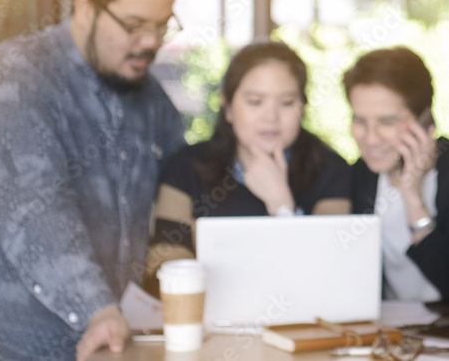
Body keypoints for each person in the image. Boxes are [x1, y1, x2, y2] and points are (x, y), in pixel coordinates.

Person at [0, 0, 186, 361]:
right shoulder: (12, 81)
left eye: (162, 25)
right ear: (85, 8)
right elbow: (34, 212)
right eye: (134, 26)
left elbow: (180, 205)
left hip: (99, 349)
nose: (150, 42)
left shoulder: (156, 107)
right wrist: (97, 309)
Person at [146, 40, 351, 284]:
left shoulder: (332, 170)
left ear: (303, 108)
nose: (271, 117)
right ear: (228, 108)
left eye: (286, 103)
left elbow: (327, 273)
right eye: (255, 102)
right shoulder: (186, 166)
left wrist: (281, 205)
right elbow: (162, 265)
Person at [344, 46, 449, 302]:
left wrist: (413, 200)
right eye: (360, 120)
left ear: (425, 119)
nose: (370, 138)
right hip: (389, 336)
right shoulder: (358, 177)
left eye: (387, 122)